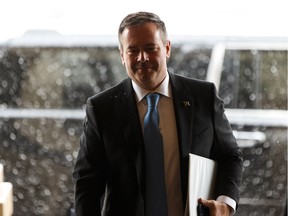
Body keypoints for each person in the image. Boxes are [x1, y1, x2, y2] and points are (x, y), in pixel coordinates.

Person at [72, 11, 243, 216]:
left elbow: (230, 156)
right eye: (132, 50)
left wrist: (224, 204)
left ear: (167, 48)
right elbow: (87, 184)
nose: (142, 58)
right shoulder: (101, 109)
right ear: (122, 56)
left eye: (150, 48)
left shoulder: (203, 97)